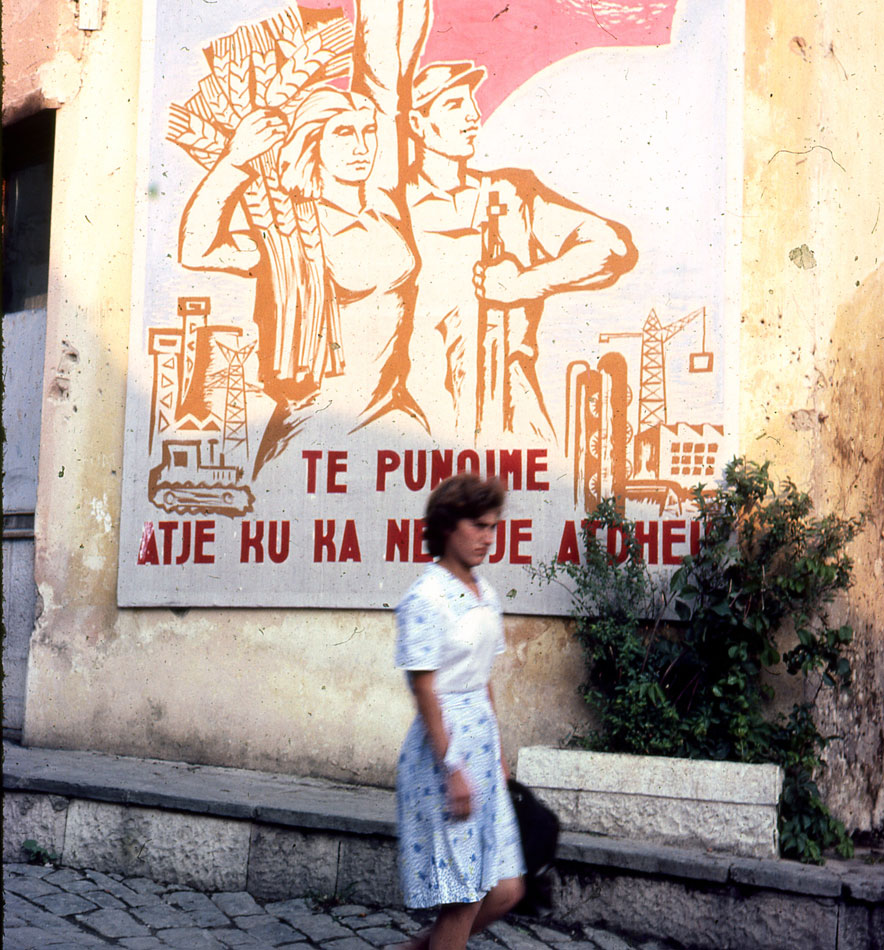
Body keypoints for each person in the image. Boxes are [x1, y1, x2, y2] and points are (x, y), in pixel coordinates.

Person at [177, 0, 430, 473]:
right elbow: (196, 250)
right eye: (344, 134)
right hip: (315, 432)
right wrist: (234, 162)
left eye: (367, 132)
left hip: (395, 418)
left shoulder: (383, 202)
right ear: (312, 142)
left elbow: (385, 80)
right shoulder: (290, 231)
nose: (361, 146)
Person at [404, 62, 638, 443]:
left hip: (513, 412)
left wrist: (525, 284)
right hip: (420, 417)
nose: (472, 115)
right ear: (418, 123)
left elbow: (613, 248)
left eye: (471, 101)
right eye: (453, 105)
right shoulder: (391, 205)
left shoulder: (511, 193)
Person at [394, 474, 526, 949]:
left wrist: (498, 754)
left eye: (493, 527)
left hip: (482, 749)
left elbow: (483, 677)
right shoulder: (425, 597)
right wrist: (453, 768)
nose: (488, 538)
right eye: (478, 526)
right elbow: (424, 688)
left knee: (506, 889)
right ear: (448, 527)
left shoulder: (484, 593)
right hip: (443, 753)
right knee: (462, 896)